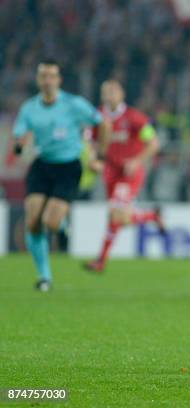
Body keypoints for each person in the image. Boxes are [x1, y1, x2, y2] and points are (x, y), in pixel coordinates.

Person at [12, 59, 110, 291]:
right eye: (43, 76)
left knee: (51, 222)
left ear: (58, 80)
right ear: (38, 80)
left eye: (51, 76)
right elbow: (20, 136)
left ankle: (62, 223)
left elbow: (102, 124)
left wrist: (100, 156)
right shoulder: (29, 108)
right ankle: (44, 276)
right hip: (42, 165)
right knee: (33, 222)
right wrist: (20, 145)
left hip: (68, 167)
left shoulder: (73, 104)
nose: (47, 81)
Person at [84, 80, 165, 272]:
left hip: (129, 174)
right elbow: (88, 140)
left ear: (122, 95)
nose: (109, 96)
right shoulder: (97, 118)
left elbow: (153, 144)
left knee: (116, 214)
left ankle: (100, 261)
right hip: (110, 173)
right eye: (106, 92)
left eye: (113, 92)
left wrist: (137, 161)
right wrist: (93, 159)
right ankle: (150, 216)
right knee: (119, 218)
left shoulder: (135, 118)